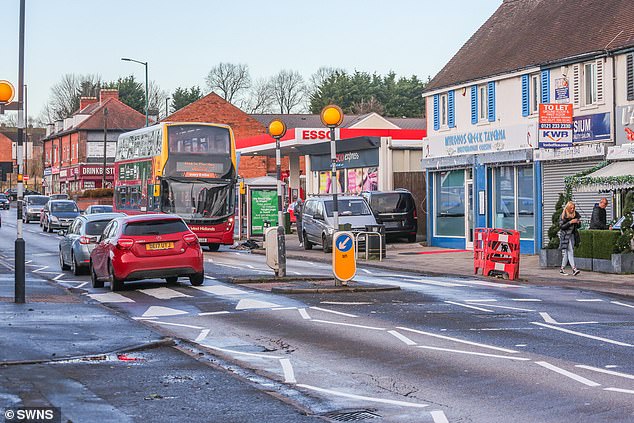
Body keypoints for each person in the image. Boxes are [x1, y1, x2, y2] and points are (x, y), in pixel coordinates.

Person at [559, 201, 581, 276]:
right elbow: (562, 227)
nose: (572, 209)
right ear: (568, 208)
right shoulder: (563, 215)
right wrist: (570, 222)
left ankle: (562, 268)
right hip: (565, 236)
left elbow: (578, 227)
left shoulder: (575, 214)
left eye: (573, 208)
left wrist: (578, 223)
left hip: (572, 235)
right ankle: (574, 269)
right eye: (571, 208)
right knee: (570, 251)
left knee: (567, 253)